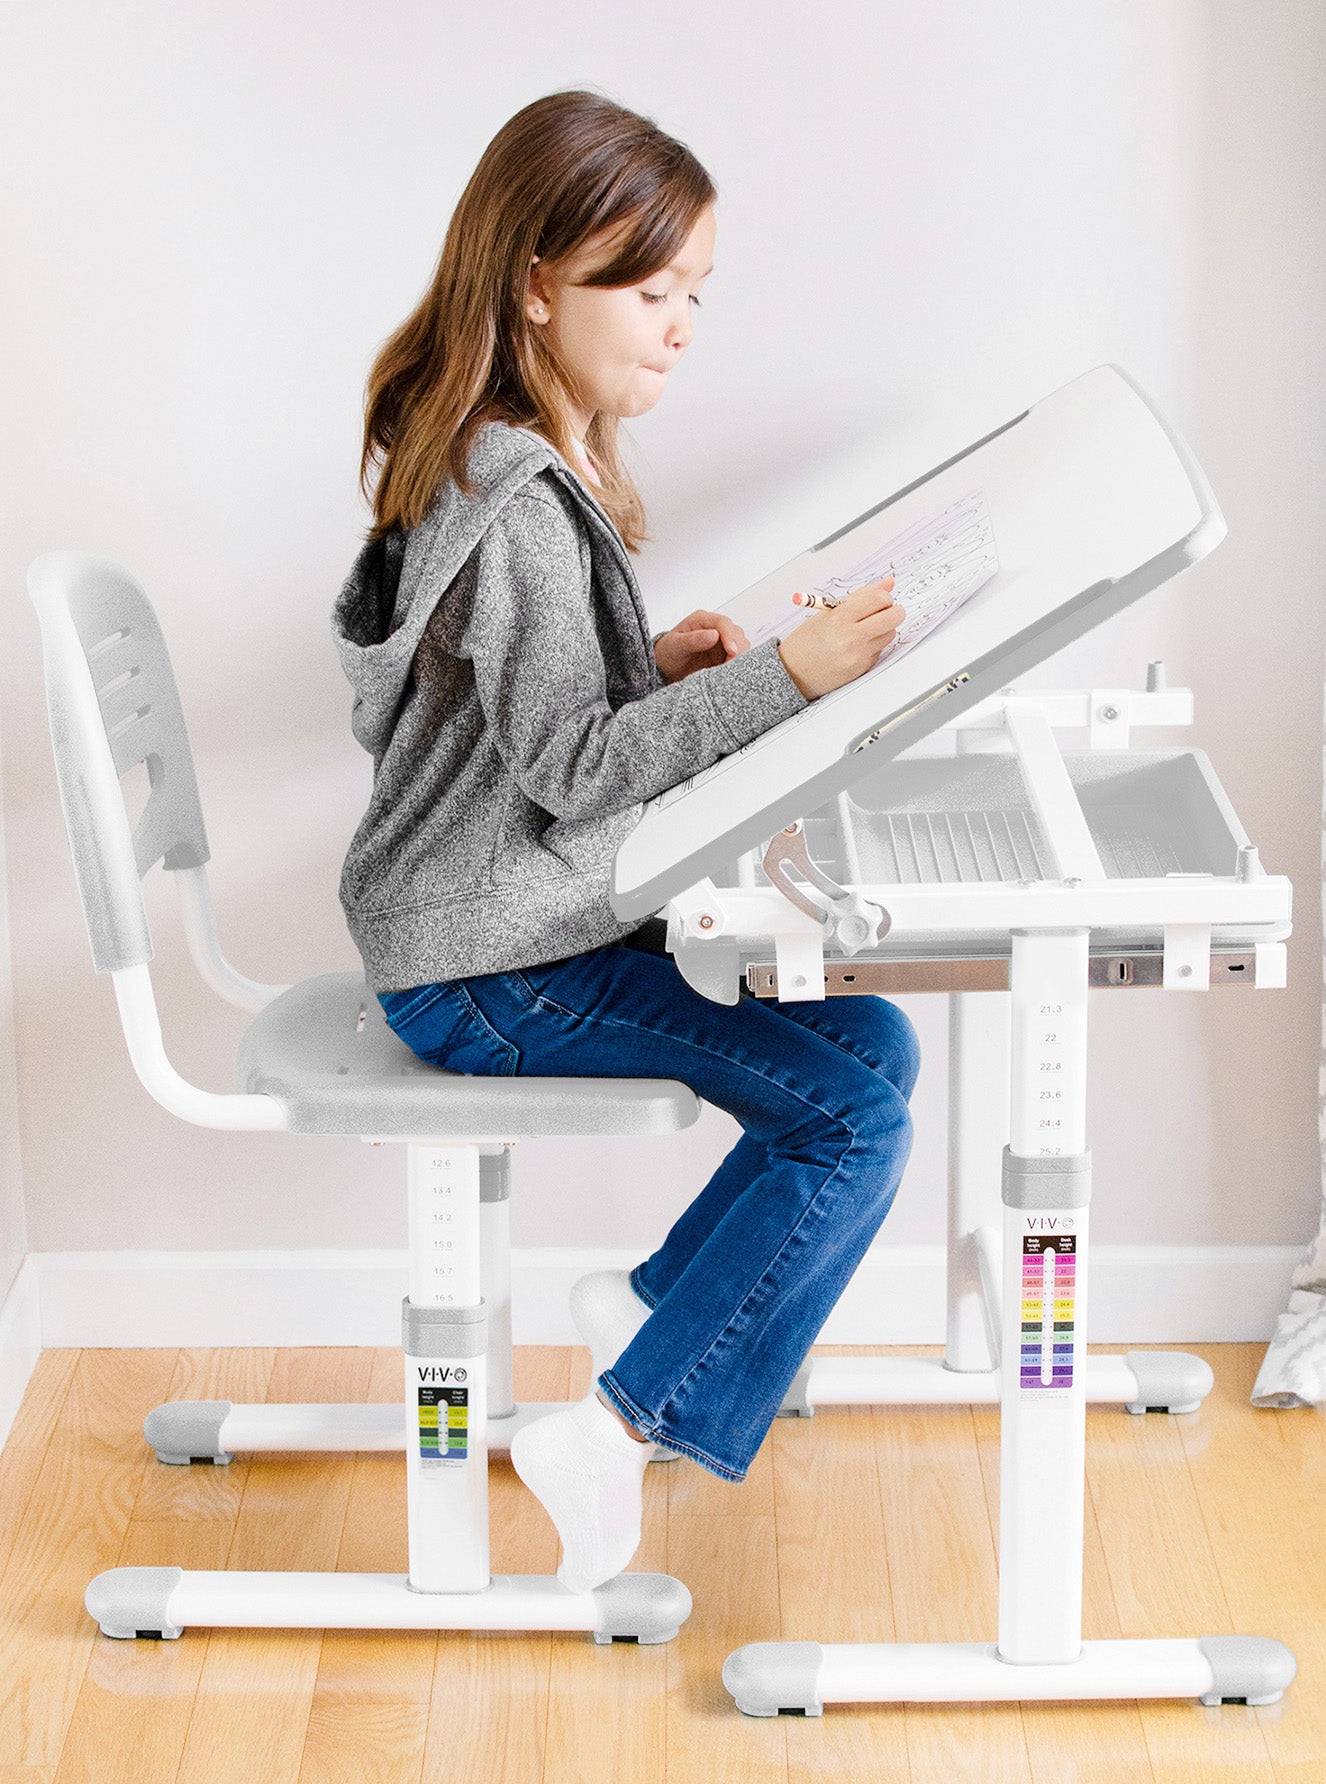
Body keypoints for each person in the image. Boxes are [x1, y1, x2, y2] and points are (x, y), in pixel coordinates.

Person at [332, 88, 919, 1594]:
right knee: (853, 1117)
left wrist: (649, 666)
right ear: (538, 283)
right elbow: (577, 772)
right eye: (650, 292)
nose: (680, 328)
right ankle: (621, 1421)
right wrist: (785, 681)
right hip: (489, 968)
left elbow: (504, 724)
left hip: (497, 927)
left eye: (694, 296)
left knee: (869, 1047)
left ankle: (653, 1311)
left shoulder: (491, 456)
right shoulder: (521, 507)